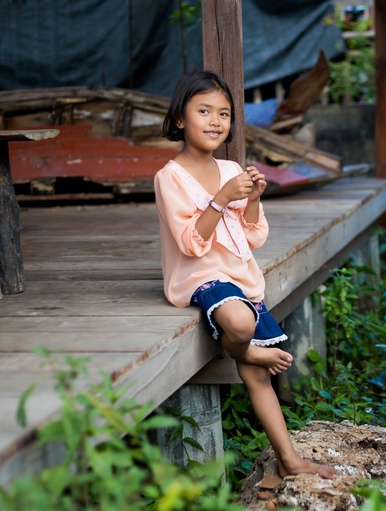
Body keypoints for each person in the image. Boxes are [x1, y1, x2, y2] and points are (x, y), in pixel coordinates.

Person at [154, 70, 335, 479]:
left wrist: (251, 198)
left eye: (225, 113)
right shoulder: (170, 177)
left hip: (239, 277)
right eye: (204, 111)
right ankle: (247, 349)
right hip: (200, 277)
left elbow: (251, 235)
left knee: (257, 377)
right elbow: (190, 243)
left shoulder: (230, 168)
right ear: (180, 119)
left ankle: (290, 461)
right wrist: (220, 199)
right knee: (240, 321)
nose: (216, 121)